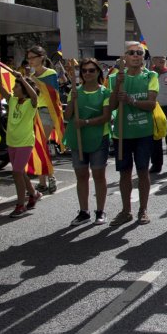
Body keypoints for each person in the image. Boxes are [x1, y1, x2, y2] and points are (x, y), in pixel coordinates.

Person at [108, 41, 159, 226]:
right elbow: (111, 106)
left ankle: (143, 209)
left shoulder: (151, 76)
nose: (136, 55)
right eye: (132, 52)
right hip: (122, 133)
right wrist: (117, 87)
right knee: (124, 173)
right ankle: (126, 210)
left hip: (143, 132)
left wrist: (130, 100)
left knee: (143, 171)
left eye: (140, 52)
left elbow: (151, 104)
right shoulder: (115, 78)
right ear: (124, 57)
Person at [63, 58, 112, 225]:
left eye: (91, 70)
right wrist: (72, 100)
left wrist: (86, 123)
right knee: (81, 175)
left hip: (99, 138)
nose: (88, 73)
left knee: (99, 175)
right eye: (84, 71)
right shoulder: (75, 91)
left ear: (98, 72)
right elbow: (67, 116)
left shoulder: (105, 92)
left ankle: (100, 211)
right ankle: (84, 212)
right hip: (78, 139)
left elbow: (106, 117)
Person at [0, 70, 42, 218]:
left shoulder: (31, 103)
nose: (12, 89)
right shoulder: (12, 100)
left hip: (25, 142)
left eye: (16, 87)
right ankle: (34, 194)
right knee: (20, 172)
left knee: (16, 172)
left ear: (23, 89)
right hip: (12, 142)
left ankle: (20, 205)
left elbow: (35, 96)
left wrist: (22, 79)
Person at [26, 45, 59, 194]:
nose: (30, 60)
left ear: (42, 58)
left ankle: (51, 178)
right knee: (38, 146)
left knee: (41, 144)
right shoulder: (31, 76)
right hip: (34, 113)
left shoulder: (50, 73)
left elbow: (52, 93)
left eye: (33, 57)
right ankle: (42, 181)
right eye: (29, 58)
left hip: (47, 112)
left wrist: (30, 80)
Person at [149, 55, 167, 174]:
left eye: (163, 58)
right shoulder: (149, 74)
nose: (161, 60)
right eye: (158, 58)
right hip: (154, 109)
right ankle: (156, 165)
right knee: (155, 138)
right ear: (153, 60)